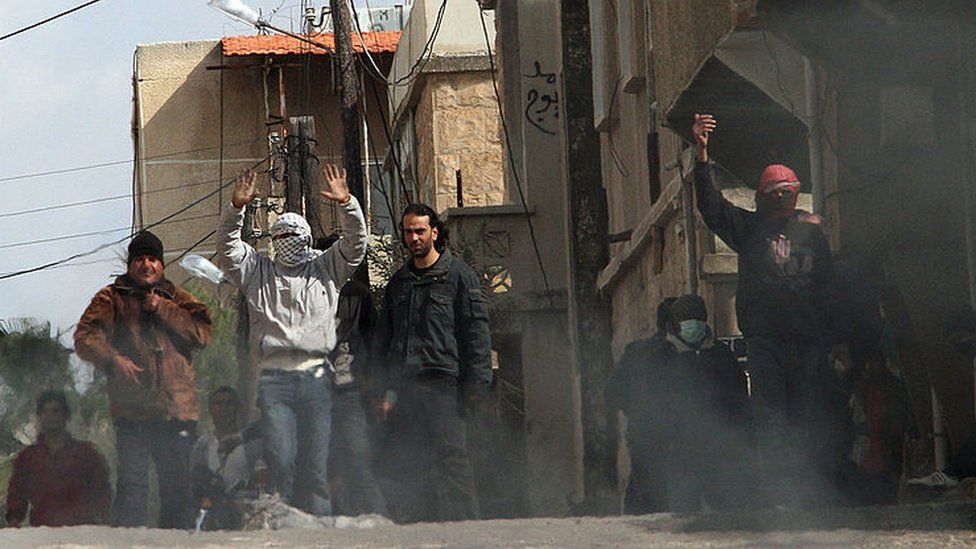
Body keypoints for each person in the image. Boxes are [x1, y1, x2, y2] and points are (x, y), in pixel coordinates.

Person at [691, 113, 835, 507]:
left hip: (804, 343)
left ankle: (808, 492)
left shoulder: (810, 234)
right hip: (769, 342)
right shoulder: (752, 230)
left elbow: (827, 287)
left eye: (783, 192)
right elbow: (712, 207)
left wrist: (831, 338)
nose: (779, 198)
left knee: (804, 418)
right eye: (774, 192)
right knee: (774, 419)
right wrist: (701, 158)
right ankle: (779, 492)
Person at [216, 165, 366, 516]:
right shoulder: (257, 271)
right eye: (281, 237)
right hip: (275, 380)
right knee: (281, 460)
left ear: (309, 237)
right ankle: (283, 528)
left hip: (317, 376)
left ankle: (319, 529)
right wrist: (235, 209)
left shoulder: (327, 267)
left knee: (315, 465)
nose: (289, 243)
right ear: (272, 241)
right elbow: (227, 250)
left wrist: (347, 203)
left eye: (295, 236)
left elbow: (357, 243)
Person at [75, 230, 212, 528]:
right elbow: (85, 336)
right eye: (140, 259)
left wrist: (163, 308)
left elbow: (202, 334)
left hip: (177, 413)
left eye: (152, 259)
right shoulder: (112, 298)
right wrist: (113, 359)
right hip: (132, 414)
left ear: (161, 264)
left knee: (178, 492)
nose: (146, 265)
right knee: (133, 489)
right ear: (130, 264)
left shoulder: (178, 298)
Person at [372, 203, 492, 522]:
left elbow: (476, 336)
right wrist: (383, 392)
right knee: (412, 465)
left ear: (434, 233)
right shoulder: (399, 283)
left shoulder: (459, 277)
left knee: (453, 462)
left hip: (444, 387)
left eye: (420, 231)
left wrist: (477, 388)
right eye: (408, 232)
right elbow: (384, 341)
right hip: (405, 389)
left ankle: (466, 534)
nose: (414, 238)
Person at [313, 235, 387, 517]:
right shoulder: (306, 291)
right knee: (318, 463)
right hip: (314, 392)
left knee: (357, 459)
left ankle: (374, 520)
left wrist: (373, 388)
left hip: (348, 392)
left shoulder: (358, 295)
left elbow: (372, 341)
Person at [605, 297, 676, 514]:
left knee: (643, 484)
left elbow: (612, 392)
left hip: (642, 431)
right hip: (667, 434)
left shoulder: (637, 351)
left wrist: (633, 410)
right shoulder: (678, 353)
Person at [5, 391, 112, 527]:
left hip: (82, 533)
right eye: (45, 411)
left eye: (56, 411)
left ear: (66, 416)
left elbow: (101, 490)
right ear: (39, 417)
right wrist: (14, 522)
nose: (51, 417)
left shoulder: (86, 453)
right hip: (42, 533)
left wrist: (103, 523)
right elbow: (17, 494)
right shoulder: (28, 458)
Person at [189, 386, 266, 530]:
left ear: (237, 408)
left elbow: (262, 480)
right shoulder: (203, 444)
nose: (224, 408)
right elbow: (194, 483)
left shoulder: (251, 445)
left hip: (245, 510)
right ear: (210, 409)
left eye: (229, 404)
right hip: (211, 510)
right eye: (218, 404)